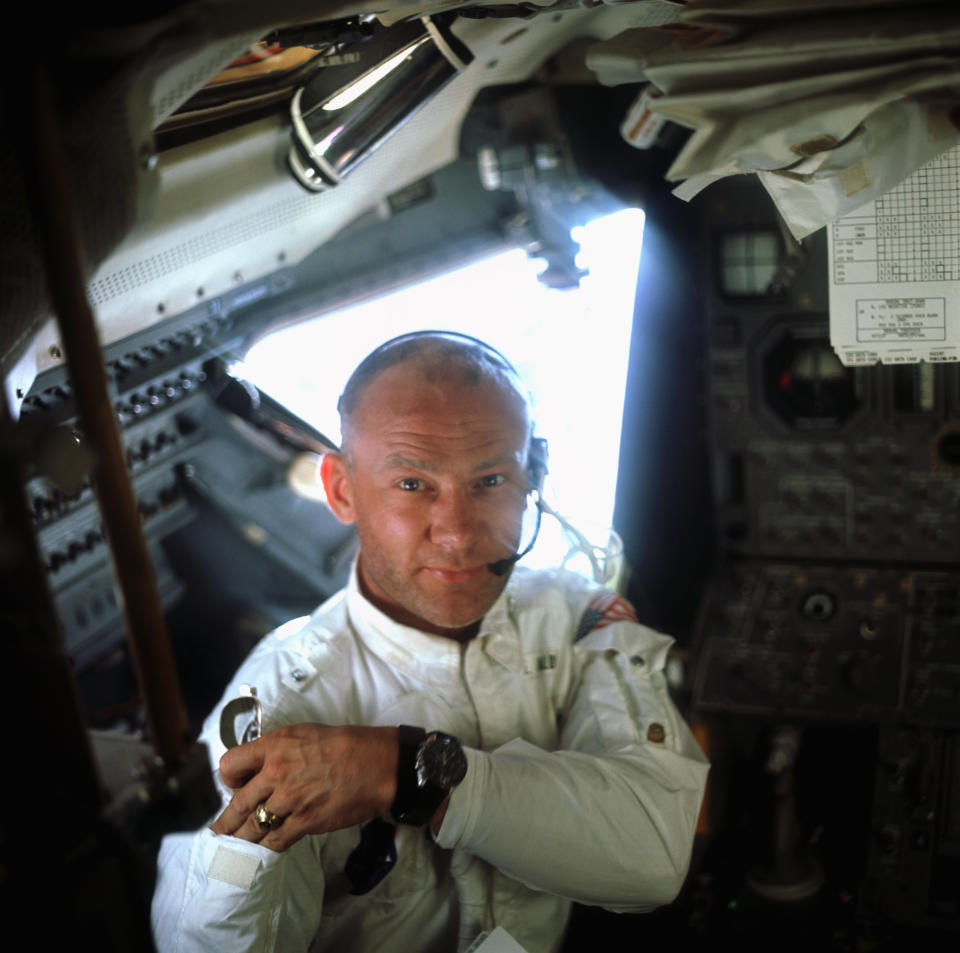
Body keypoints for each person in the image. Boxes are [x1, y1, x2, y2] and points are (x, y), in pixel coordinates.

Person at [151, 331, 709, 953]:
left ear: (534, 477)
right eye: (414, 485)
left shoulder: (577, 615)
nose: (458, 534)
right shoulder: (282, 705)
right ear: (341, 490)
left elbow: (653, 858)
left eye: (491, 479)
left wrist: (406, 773)